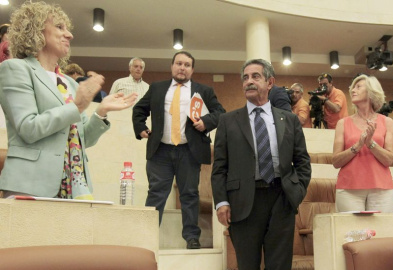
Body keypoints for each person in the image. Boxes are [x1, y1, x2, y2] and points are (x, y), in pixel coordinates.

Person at [0, 1, 137, 199]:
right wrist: (78, 106)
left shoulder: (69, 84)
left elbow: (83, 141)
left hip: (73, 187)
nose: (70, 35)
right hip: (30, 185)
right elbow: (28, 128)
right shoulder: (15, 69)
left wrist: (101, 112)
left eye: (68, 29)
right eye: (59, 27)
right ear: (36, 30)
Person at [211, 59, 311, 270]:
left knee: (280, 266)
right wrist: (221, 202)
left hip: (281, 199)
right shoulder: (228, 121)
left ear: (270, 82)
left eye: (255, 76)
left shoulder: (289, 120)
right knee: (247, 265)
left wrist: (296, 192)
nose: (249, 81)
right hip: (243, 201)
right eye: (245, 78)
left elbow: (302, 161)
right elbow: (219, 167)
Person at [132, 51, 225, 249]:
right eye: (179, 63)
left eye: (187, 65)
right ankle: (146, 237)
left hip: (189, 152)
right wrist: (140, 127)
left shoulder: (204, 91)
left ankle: (191, 237)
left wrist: (206, 122)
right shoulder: (157, 88)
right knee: (156, 193)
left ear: (192, 69)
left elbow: (220, 113)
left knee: (190, 194)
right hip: (160, 151)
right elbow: (139, 109)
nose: (182, 67)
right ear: (172, 66)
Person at [332, 75, 393, 213]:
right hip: (349, 188)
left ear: (371, 92)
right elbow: (336, 161)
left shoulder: (387, 122)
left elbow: (389, 159)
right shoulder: (343, 123)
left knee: (382, 233)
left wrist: (370, 143)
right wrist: (358, 146)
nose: (353, 90)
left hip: (381, 188)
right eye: (353, 87)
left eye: (358, 87)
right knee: (351, 233)